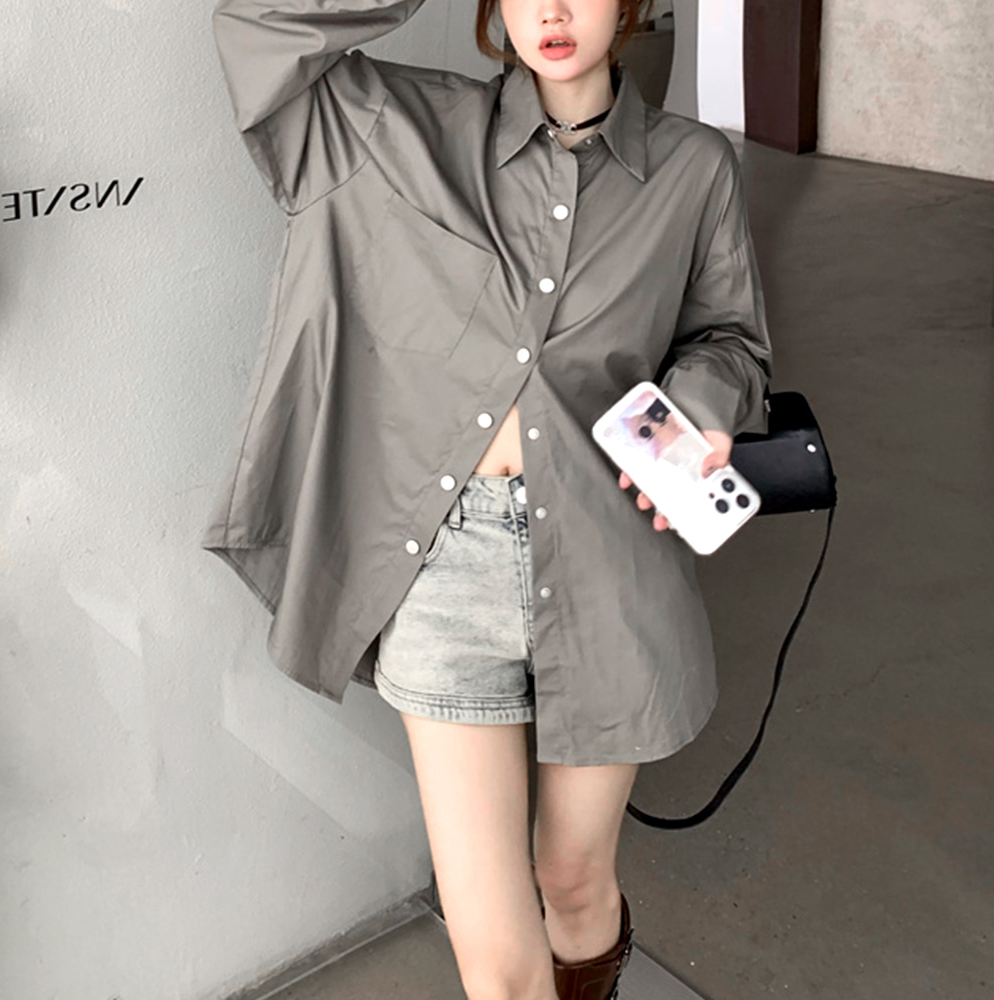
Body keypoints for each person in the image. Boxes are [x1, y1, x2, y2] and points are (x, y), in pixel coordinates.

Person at [205, 0, 772, 995]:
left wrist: (701, 410)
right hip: (444, 568)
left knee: (573, 881)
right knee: (500, 967)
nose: (550, 10)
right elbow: (262, 30)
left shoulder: (695, 169)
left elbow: (728, 337)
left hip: (608, 555)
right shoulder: (395, 126)